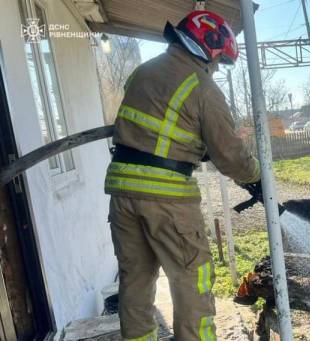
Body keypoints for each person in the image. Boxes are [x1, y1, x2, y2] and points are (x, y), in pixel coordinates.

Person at [104, 10, 261, 341]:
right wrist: (258, 175)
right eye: (219, 62)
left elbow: (156, 132)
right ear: (210, 46)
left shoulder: (142, 72)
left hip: (121, 194)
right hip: (167, 200)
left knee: (135, 279)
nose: (216, 69)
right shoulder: (202, 86)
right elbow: (231, 156)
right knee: (193, 280)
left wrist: (194, 146)